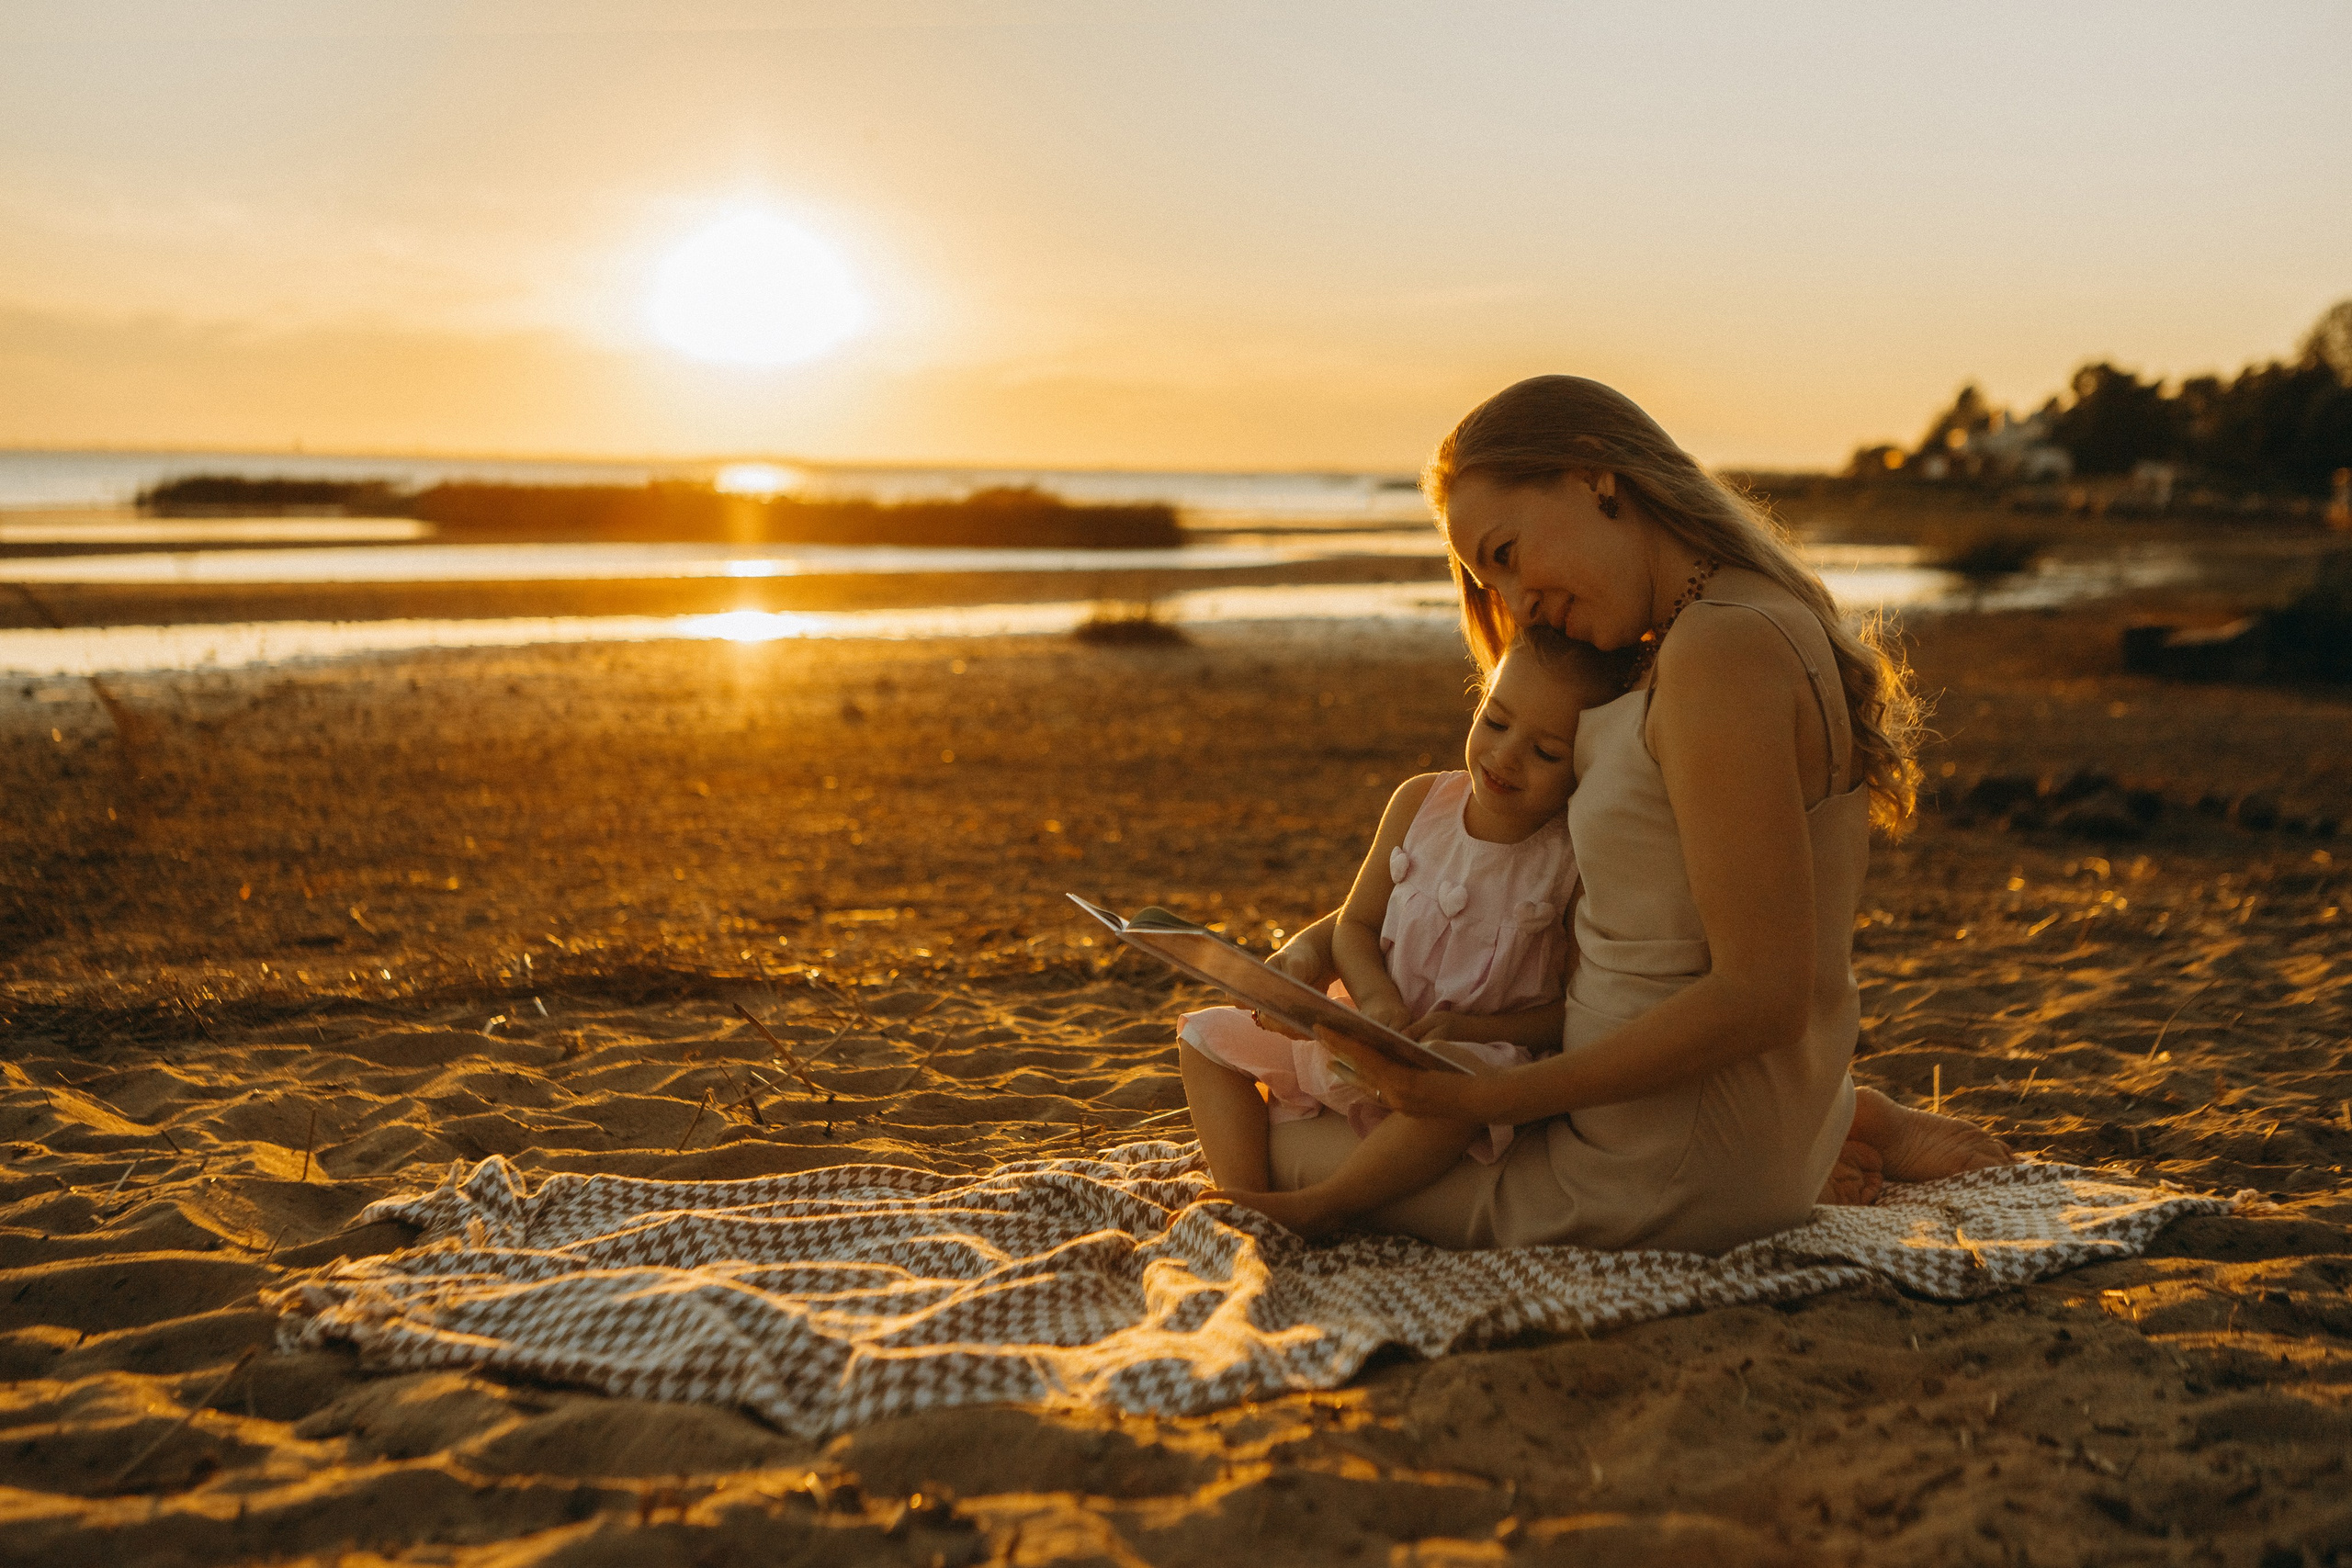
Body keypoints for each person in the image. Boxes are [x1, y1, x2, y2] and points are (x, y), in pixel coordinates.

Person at [1247, 375, 2014, 1255]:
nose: (1515, 602)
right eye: (1485, 578)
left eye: (1507, 551)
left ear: (1595, 480)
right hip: (1693, 1121)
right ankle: (1841, 1116)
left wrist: (1483, 1100)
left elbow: (1762, 996)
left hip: (1655, 1171)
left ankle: (1839, 1119)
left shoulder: (1718, 652)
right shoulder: (1731, 623)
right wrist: (1322, 940)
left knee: (1273, 1135)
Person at [1177, 631, 1621, 1235]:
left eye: (1546, 751)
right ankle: (1246, 1196)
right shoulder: (1420, 801)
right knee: (1204, 1037)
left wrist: (1468, 1030)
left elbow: (1569, 1010)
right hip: (1370, 1036)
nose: (1506, 755)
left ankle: (1324, 1204)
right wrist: (1375, 1000)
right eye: (1495, 720)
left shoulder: (1569, 860)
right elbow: (1356, 925)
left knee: (1451, 1086)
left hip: (1464, 1064)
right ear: (1478, 703)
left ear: (1587, 765)